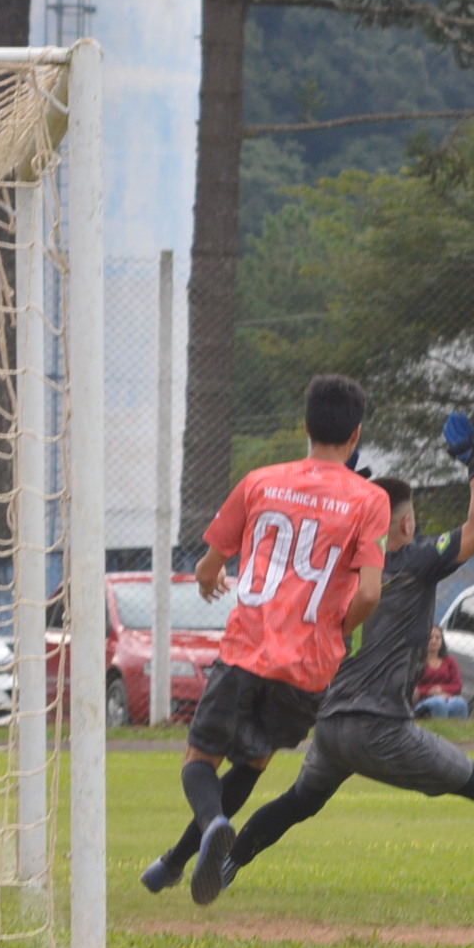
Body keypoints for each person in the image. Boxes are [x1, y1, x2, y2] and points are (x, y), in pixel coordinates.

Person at [217, 421, 474, 889]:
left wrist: (342, 482)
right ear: (406, 524)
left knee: (299, 801)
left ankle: (223, 865)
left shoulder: (336, 564)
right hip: (380, 729)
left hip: (331, 725)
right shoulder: (415, 562)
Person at [144, 373, 390, 907]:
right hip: (308, 666)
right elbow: (369, 593)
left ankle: (209, 827)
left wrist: (211, 581)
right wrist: (337, 630)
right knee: (253, 762)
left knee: (199, 760)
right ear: (357, 436)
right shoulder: (370, 500)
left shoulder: (260, 482)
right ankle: (176, 861)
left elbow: (209, 566)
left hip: (247, 648)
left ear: (305, 427)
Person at [412, 621, 469, 718]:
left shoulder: (450, 661)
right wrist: (430, 692)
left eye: (438, 638)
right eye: (430, 637)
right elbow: (412, 688)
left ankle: (460, 732)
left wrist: (442, 690)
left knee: (461, 703)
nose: (434, 641)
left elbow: (458, 686)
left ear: (442, 641)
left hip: (446, 697)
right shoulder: (416, 661)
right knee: (438, 703)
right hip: (424, 700)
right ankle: (439, 731)